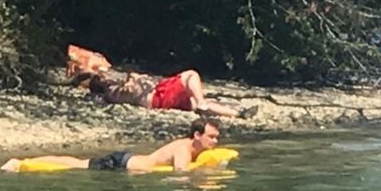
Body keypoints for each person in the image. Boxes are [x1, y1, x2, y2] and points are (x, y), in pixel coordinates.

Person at [0, 118, 224, 173]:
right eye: (212, 137)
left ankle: (23, 163)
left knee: (78, 164)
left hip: (127, 162)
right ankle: (20, 163)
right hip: (122, 164)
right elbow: (180, 173)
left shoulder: (194, 148)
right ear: (197, 135)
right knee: (76, 165)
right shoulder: (184, 148)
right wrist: (206, 174)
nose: (215, 141)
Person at [83, 69, 257, 118]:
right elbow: (131, 86)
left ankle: (238, 113)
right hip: (159, 96)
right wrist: (131, 80)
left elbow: (131, 77)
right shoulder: (113, 92)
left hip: (159, 98)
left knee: (197, 101)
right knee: (191, 75)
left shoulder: (113, 90)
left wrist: (131, 78)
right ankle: (202, 103)